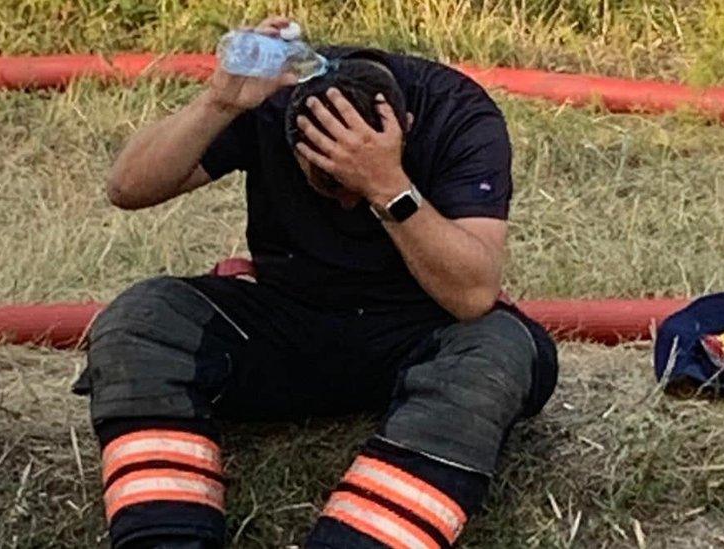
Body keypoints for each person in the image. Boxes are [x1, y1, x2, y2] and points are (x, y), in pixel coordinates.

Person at [73, 16, 559, 549]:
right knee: (142, 317)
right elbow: (127, 187)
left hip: (419, 331)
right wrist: (219, 102)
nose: (346, 202)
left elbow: (472, 294)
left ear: (408, 125)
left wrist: (387, 186)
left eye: (351, 187)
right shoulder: (275, 99)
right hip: (290, 320)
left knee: (502, 348)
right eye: (326, 183)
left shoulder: (457, 112)